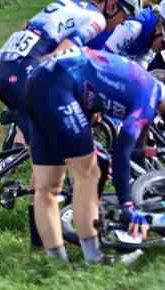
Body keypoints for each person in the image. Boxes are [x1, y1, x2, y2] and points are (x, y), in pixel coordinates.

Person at [0, 0, 130, 248]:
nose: (123, 23)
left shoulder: (67, 4)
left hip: (4, 70)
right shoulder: (95, 19)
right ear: (110, 5)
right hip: (25, 74)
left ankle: (40, 245)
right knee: (81, 160)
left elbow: (28, 29)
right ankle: (84, 235)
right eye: (125, 12)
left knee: (42, 163)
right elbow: (61, 53)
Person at [25, 46, 165, 264]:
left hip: (40, 80)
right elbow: (122, 150)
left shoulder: (144, 84)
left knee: (47, 188)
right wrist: (127, 204)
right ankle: (94, 259)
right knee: (88, 174)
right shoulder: (149, 98)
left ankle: (57, 266)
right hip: (60, 83)